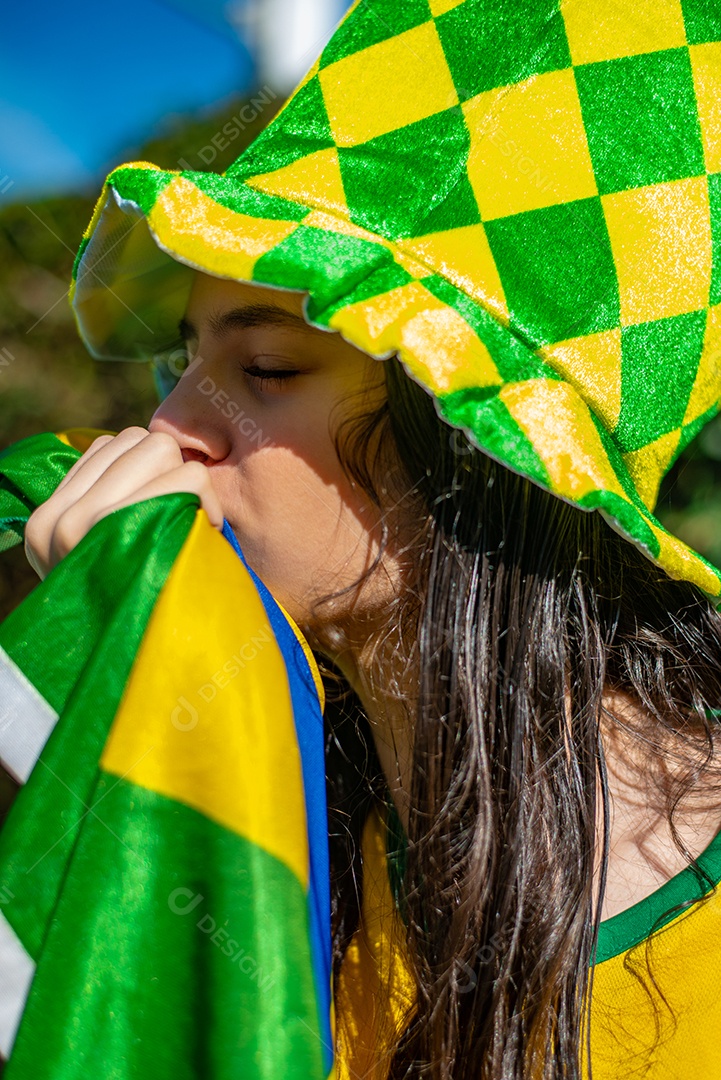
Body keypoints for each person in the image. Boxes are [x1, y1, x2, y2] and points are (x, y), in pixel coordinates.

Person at [14, 1, 721, 1077]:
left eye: (266, 372)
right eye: (179, 364)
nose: (169, 433)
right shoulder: (274, 842)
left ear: (488, 450)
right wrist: (101, 696)